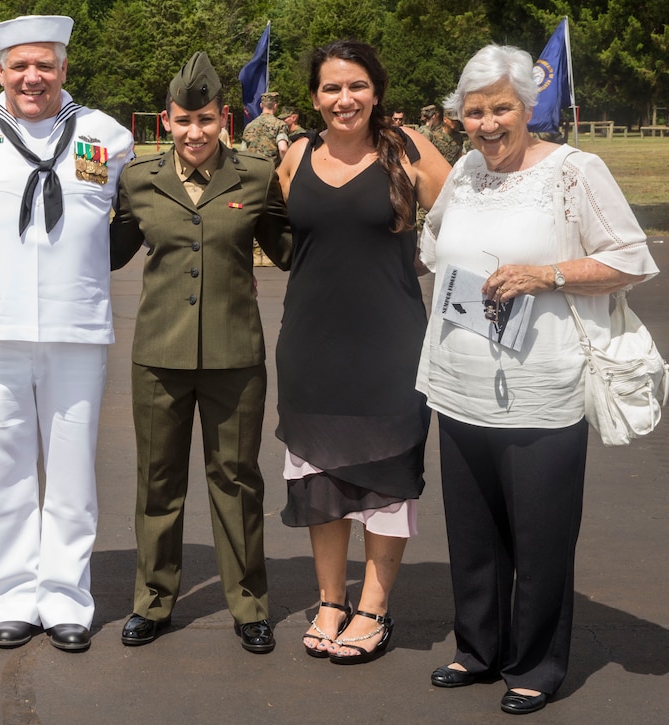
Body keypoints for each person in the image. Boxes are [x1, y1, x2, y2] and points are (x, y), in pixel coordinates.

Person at [417, 44, 658, 715]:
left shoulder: (576, 172)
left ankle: (537, 661)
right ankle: (478, 646)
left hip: (542, 387)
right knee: (473, 530)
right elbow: (433, 245)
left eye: (500, 109)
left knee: (542, 533)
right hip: (461, 380)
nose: (487, 124)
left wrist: (545, 273)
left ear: (527, 108)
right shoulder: (465, 171)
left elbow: (631, 259)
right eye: (473, 112)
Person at [0, 14, 133, 653]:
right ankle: (13, 597)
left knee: (73, 470)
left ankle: (68, 596)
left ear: (63, 70)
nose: (32, 77)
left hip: (78, 327)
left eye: (44, 66)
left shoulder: (106, 135)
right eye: (19, 65)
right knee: (4, 470)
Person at [273, 39, 450, 665]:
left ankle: (372, 608)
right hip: (310, 345)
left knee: (387, 477)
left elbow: (470, 221)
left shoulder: (409, 150)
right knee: (319, 473)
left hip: (391, 344)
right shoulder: (296, 155)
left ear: (376, 90)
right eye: (330, 88)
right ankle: (329, 601)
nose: (343, 99)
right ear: (315, 96)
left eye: (356, 86)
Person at [110, 52, 292, 654]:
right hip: (158, 355)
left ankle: (249, 604)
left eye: (206, 120)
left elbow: (291, 249)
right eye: (184, 121)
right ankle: (154, 601)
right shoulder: (138, 181)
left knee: (237, 480)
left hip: (234, 357)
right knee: (158, 482)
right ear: (165, 121)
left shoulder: (257, 176)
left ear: (224, 121)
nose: (195, 133)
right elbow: (109, 252)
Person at [242, 91, 289, 163]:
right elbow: (283, 149)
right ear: (275, 106)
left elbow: (243, 151)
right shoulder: (280, 125)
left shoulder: (249, 125)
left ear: (261, 105)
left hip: (251, 169)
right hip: (270, 170)